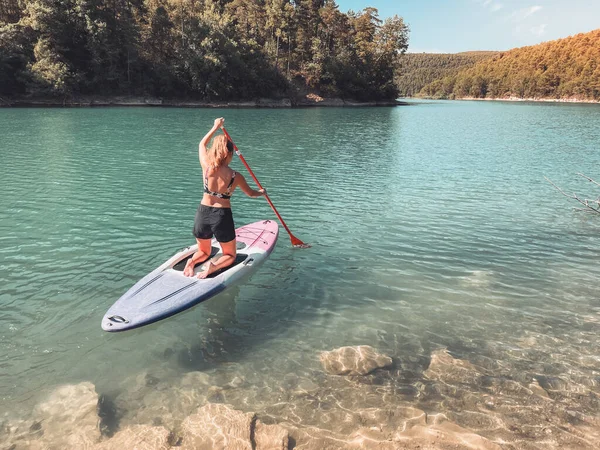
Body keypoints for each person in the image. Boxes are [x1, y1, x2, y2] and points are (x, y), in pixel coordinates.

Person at [183, 118, 265, 279]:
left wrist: (215, 127)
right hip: (221, 216)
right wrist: (262, 192)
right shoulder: (236, 176)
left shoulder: (206, 167)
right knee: (230, 254)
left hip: (203, 213)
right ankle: (213, 266)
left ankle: (192, 262)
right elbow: (251, 194)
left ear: (213, 150)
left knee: (204, 251)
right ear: (230, 153)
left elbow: (201, 145)